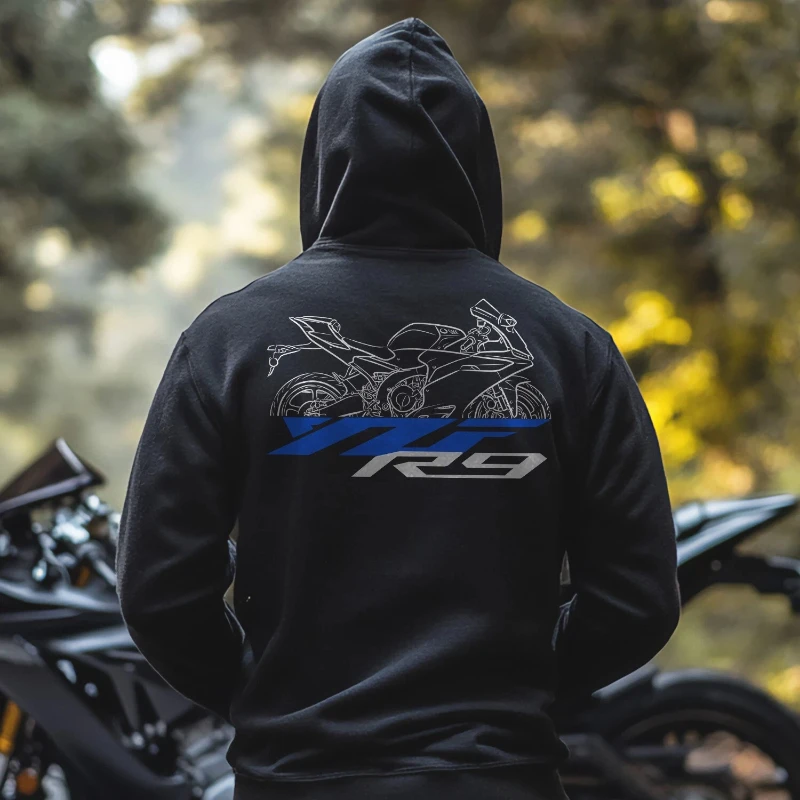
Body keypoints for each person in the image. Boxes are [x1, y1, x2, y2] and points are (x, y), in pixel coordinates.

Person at [115, 17, 680, 800]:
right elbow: (638, 597)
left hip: (297, 778)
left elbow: (157, 588)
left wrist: (265, 696)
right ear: (476, 162)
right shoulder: (571, 346)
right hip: (499, 778)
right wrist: (516, 695)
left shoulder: (228, 340)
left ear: (325, 156)